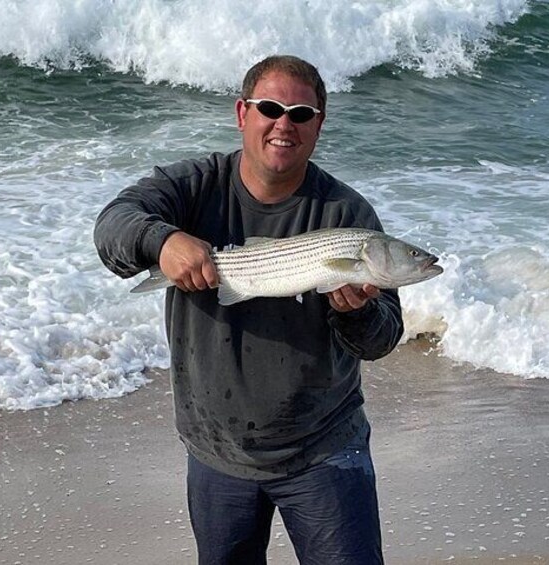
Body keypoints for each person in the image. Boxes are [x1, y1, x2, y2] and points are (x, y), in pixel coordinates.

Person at [94, 55, 403, 565]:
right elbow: (113, 225)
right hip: (218, 450)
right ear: (243, 113)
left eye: (301, 113)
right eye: (270, 108)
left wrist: (356, 312)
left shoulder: (347, 215)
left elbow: (383, 339)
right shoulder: (194, 186)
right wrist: (163, 240)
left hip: (324, 447)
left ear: (318, 125)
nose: (285, 124)